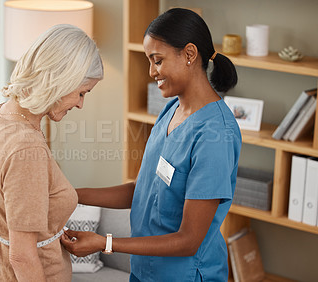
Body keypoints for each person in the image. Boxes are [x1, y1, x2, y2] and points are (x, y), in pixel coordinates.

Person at [61, 8, 241, 281]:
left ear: (190, 54)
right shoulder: (171, 111)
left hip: (185, 275)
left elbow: (188, 240)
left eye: (157, 60)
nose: (151, 71)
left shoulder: (216, 133)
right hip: (145, 271)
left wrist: (104, 243)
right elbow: (143, 192)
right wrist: (72, 195)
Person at [0, 24, 103, 282]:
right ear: (60, 80)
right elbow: (21, 256)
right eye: (81, 93)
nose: (80, 104)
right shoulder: (27, 148)